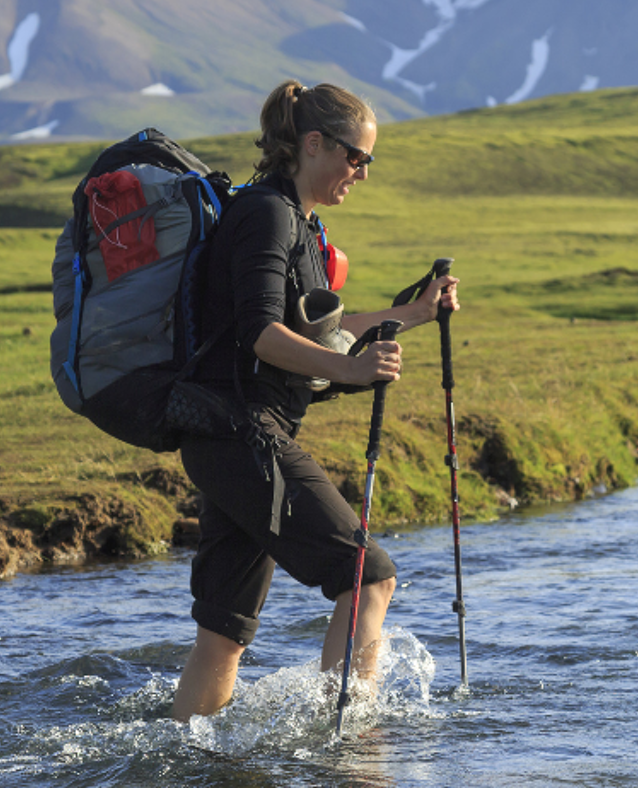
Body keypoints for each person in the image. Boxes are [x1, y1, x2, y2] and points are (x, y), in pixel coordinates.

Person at [169, 81, 459, 722]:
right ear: (313, 143)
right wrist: (350, 372)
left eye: (368, 162)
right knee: (369, 575)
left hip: (230, 437)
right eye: (357, 157)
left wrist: (413, 312)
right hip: (243, 433)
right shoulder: (267, 215)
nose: (361, 172)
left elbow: (320, 332)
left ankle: (183, 755)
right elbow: (263, 335)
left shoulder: (296, 222)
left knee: (224, 633)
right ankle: (351, 748)